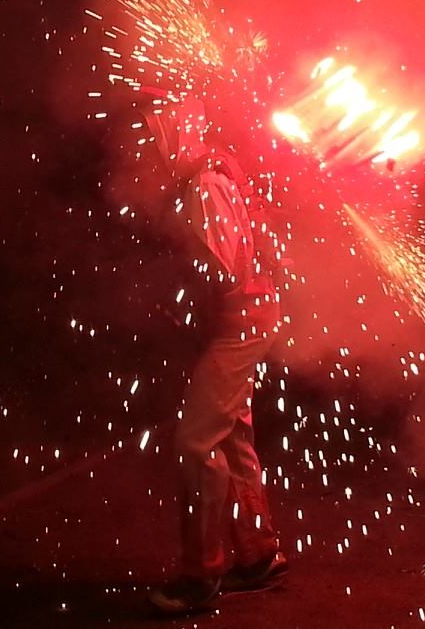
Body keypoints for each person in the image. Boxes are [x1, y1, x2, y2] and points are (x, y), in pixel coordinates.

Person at [141, 96, 288, 615]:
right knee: (231, 434)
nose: (150, 148)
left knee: (196, 441)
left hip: (239, 325)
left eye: (154, 133)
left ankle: (200, 574)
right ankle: (258, 555)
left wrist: (177, 297)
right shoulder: (211, 172)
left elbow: (223, 268)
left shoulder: (203, 184)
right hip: (247, 318)